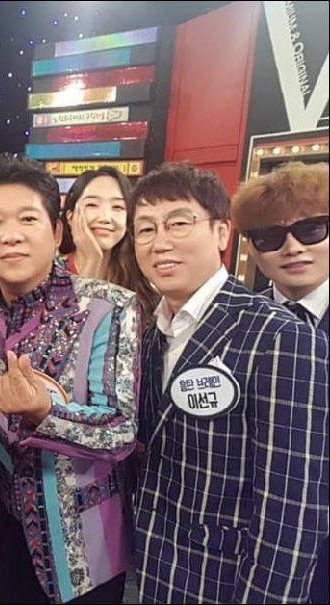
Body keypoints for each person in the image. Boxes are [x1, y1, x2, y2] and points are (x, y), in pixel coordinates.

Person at [132, 162, 329, 603]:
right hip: (156, 572)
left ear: (222, 233)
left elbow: (292, 510)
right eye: (145, 229)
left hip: (229, 583)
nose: (160, 242)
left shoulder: (281, 335)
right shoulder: (148, 334)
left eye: (178, 223)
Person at [0, 154, 142, 604]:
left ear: (57, 232)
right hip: (2, 527)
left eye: (28, 219)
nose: (11, 235)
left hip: (82, 542)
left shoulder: (108, 307)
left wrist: (45, 411)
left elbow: (121, 432)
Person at [232, 161, 329, 603]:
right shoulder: (234, 325)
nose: (293, 248)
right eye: (270, 237)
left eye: (311, 230)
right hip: (245, 549)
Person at [59, 166, 157, 321]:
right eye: (92, 205)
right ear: (70, 217)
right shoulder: (47, 277)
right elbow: (63, 332)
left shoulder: (143, 280)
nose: (105, 218)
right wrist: (92, 262)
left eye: (118, 207)